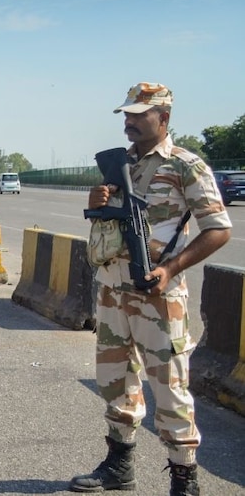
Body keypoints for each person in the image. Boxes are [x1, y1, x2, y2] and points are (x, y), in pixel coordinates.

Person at [70, 82, 232, 495]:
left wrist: (172, 267)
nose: (130, 121)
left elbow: (218, 230)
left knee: (170, 389)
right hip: (113, 290)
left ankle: (184, 478)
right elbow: (108, 223)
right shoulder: (119, 164)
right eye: (127, 114)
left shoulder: (185, 166)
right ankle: (119, 466)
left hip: (159, 296)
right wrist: (97, 200)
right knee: (115, 380)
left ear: (164, 117)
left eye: (139, 114)